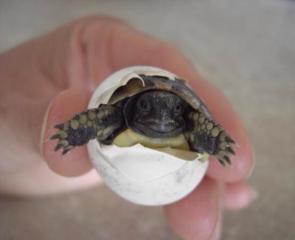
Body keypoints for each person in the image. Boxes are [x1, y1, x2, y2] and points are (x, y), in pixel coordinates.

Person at [0, 16, 255, 240]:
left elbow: (203, 127)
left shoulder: (191, 122)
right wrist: (73, 132)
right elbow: (95, 118)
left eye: (175, 109)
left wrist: (216, 141)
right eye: (147, 107)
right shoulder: (116, 114)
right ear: (134, 106)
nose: (161, 116)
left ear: (182, 111)